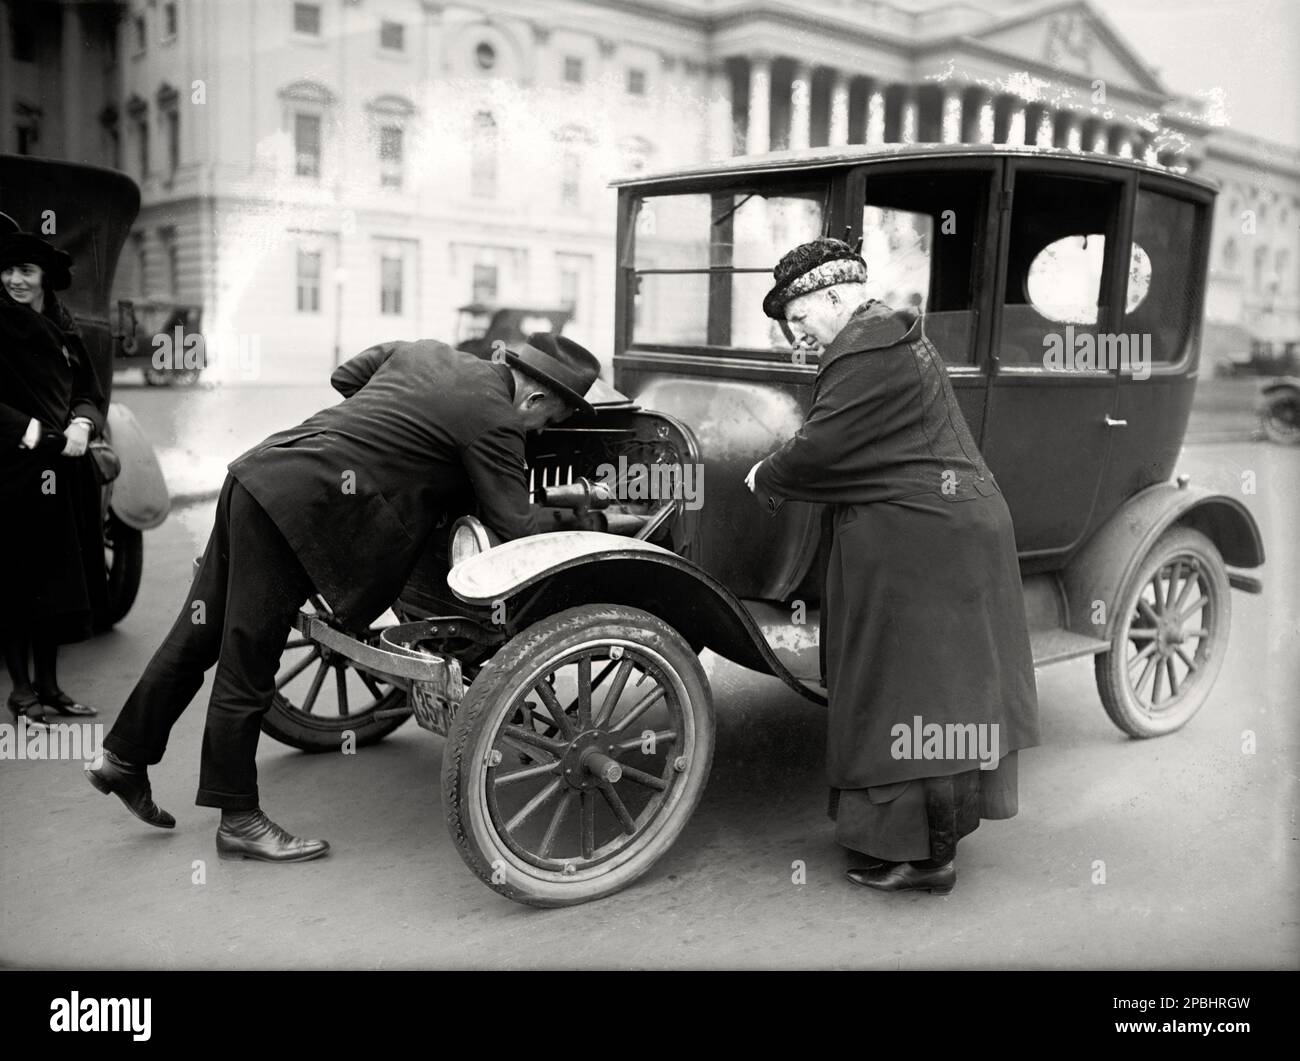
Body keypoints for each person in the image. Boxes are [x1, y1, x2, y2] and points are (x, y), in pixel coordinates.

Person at [86, 332, 600, 862]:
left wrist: (381, 436)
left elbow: (347, 377)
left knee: (199, 632)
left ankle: (123, 758)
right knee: (248, 660)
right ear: (533, 399)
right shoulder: (495, 418)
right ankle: (238, 818)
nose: (542, 430)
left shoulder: (424, 351)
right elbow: (514, 523)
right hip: (300, 508)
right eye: (550, 420)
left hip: (258, 474)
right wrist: (587, 510)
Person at [746, 238, 1039, 895]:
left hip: (927, 543)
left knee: (918, 694)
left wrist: (768, 472)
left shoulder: (866, 346)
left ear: (831, 296)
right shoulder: (884, 338)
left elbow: (824, 446)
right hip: (932, 534)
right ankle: (922, 841)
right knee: (919, 690)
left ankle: (930, 858)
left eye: (800, 319)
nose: (800, 334)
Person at [0, 227, 106, 726]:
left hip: (64, 469)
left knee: (55, 579)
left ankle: (50, 687)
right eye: (7, 270)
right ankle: (21, 692)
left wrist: (83, 422)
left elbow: (88, 387)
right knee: (17, 578)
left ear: (44, 277)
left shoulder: (63, 327)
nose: (15, 280)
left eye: (26, 271)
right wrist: (36, 432)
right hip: (13, 467)